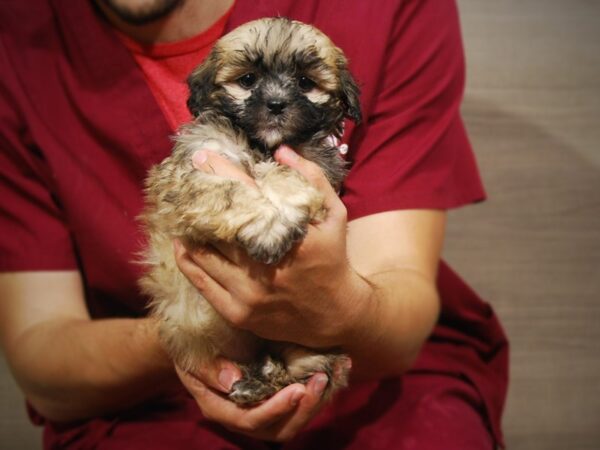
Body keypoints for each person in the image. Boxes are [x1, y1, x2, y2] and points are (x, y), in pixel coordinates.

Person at [0, 0, 508, 448]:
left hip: (371, 379)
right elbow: (42, 364)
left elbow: (399, 317)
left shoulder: (391, 9)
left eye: (305, 85)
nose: (277, 99)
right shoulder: (16, 47)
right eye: (247, 83)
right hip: (145, 398)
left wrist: (331, 308)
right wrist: (197, 338)